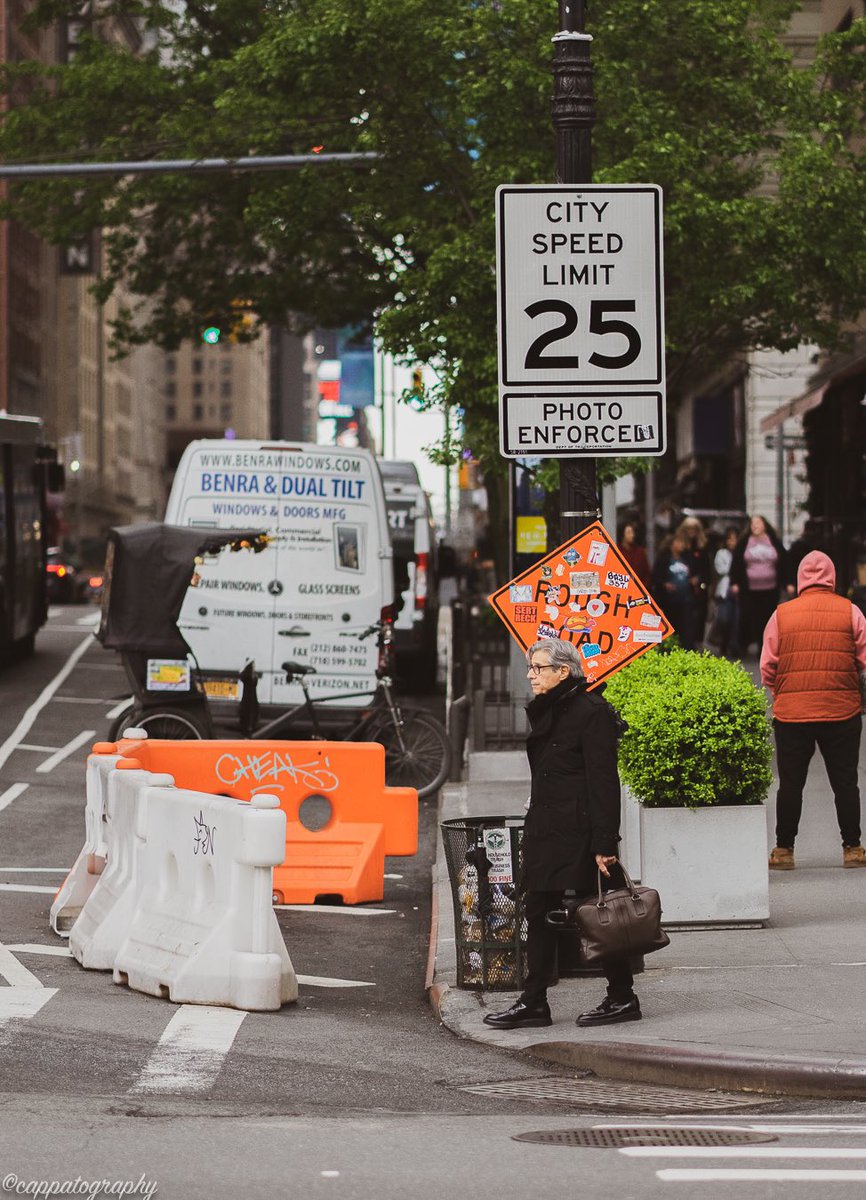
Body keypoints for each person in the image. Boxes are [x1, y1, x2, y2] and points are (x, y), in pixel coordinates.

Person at [482, 639, 640, 1031]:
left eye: (538, 668)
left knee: (597, 915)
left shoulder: (592, 712)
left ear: (563, 672)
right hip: (548, 829)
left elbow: (604, 781)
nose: (531, 675)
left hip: (580, 833)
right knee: (538, 911)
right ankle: (534, 1001)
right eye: (532, 667)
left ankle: (622, 996)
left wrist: (605, 843)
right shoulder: (552, 709)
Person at [761, 550, 866, 870]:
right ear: (832, 577)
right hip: (842, 711)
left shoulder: (781, 614)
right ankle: (852, 848)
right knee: (846, 782)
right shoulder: (851, 612)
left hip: (793, 714)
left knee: (791, 784)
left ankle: (783, 851)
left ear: (801, 578)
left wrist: (783, 692)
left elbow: (768, 667)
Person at [730, 515, 793, 656]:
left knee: (767, 618)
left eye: (758, 523)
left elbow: (784, 563)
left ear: (765, 524)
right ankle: (744, 645)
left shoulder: (774, 541)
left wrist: (788, 582)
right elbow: (736, 563)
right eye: (752, 523)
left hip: (770, 588)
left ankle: (764, 647)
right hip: (749, 589)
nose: (755, 526)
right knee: (749, 617)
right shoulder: (744, 542)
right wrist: (734, 582)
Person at [652, 531, 697, 649]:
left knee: (687, 626)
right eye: (679, 542)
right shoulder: (664, 559)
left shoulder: (686, 558)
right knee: (672, 625)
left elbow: (695, 572)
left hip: (686, 599)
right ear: (672, 544)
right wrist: (665, 585)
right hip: (670, 601)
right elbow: (656, 577)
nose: (682, 544)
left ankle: (687, 648)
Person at [676, 517, 711, 644]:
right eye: (689, 529)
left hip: (698, 589)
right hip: (682, 589)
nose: (691, 532)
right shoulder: (679, 547)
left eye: (694, 529)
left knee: (699, 617)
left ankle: (697, 641)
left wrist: (700, 579)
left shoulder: (702, 547)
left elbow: (707, 569)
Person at [710, 526, 741, 658]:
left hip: (739, 592)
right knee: (724, 618)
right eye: (730, 539)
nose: (732, 542)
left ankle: (733, 646)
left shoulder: (741, 553)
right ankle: (722, 642)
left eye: (734, 539)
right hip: (725, 590)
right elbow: (722, 569)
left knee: (736, 621)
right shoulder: (721, 553)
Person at [617, 521, 652, 590]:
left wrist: (642, 588)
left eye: (633, 532)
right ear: (622, 534)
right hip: (622, 590)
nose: (632, 535)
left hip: (639, 590)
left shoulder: (640, 552)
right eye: (629, 532)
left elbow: (647, 573)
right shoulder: (617, 551)